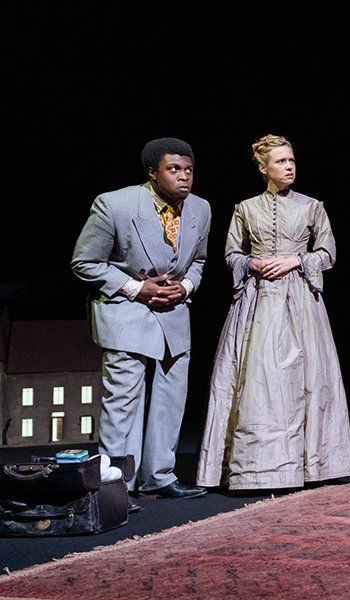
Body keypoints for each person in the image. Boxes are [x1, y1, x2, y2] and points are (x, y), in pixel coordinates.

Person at [196, 134, 350, 491]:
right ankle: (257, 468)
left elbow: (328, 253)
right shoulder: (245, 207)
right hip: (258, 301)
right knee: (258, 381)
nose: (289, 167)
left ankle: (310, 465)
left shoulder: (312, 206)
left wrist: (295, 260)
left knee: (308, 379)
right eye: (282, 162)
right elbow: (230, 254)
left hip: (300, 298)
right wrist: (250, 262)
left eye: (292, 161)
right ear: (263, 168)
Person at [70, 137, 211, 501]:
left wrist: (188, 287)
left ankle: (160, 475)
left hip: (174, 314)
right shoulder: (114, 204)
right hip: (128, 311)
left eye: (189, 170)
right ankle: (118, 484)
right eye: (174, 169)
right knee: (123, 402)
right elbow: (85, 262)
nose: (184, 177)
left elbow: (199, 261)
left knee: (171, 398)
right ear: (152, 173)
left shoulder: (200, 208)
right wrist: (136, 287)